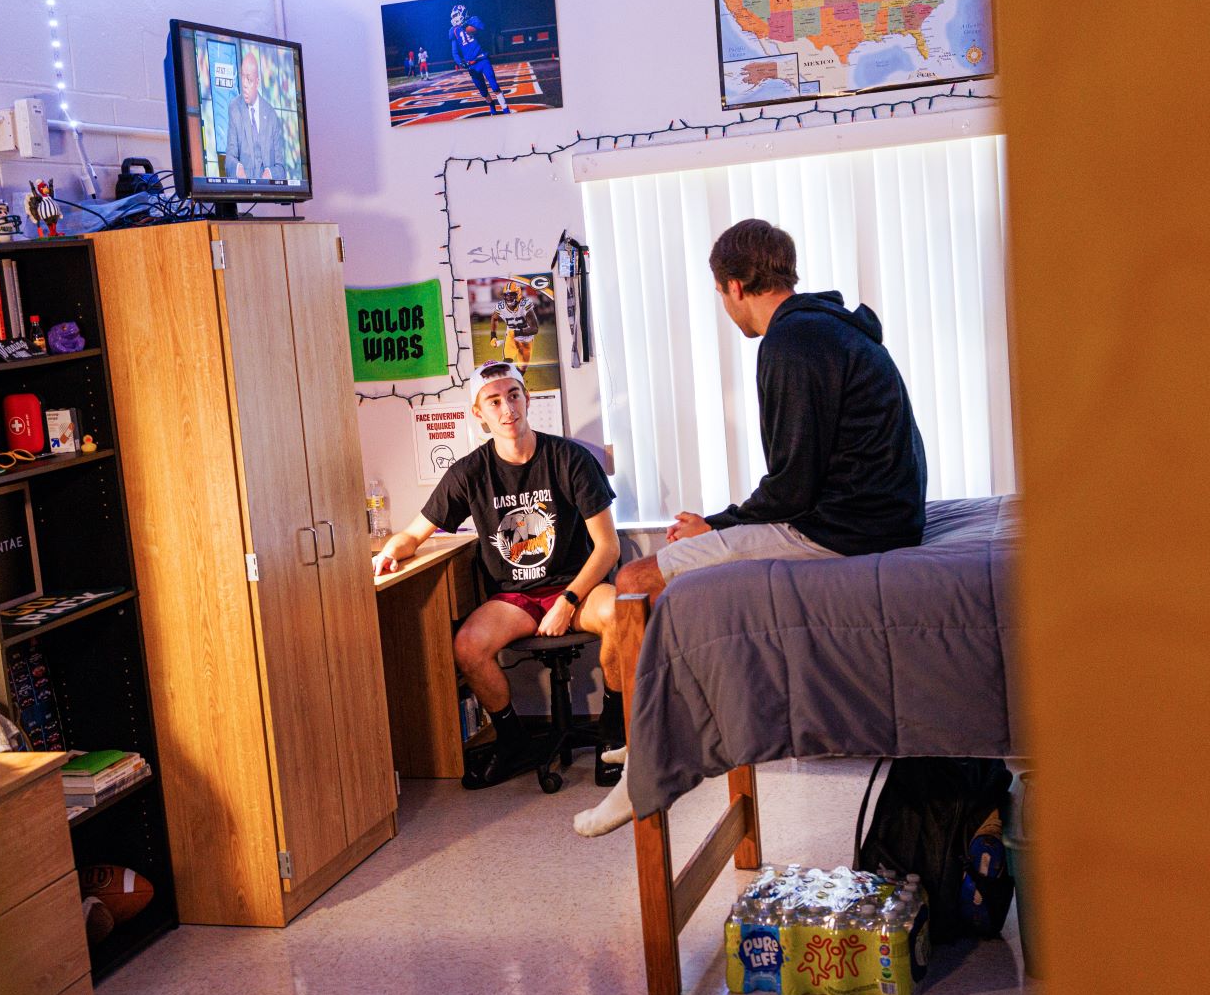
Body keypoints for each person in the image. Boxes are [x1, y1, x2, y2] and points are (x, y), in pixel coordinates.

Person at [573, 217, 928, 838]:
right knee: (663, 579)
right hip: (872, 517)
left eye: (720, 294)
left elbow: (791, 489)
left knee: (634, 580)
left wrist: (714, 527)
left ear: (735, 286)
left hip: (842, 530)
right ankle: (650, 736)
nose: (725, 307)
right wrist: (716, 527)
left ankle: (641, 771)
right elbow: (801, 477)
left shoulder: (791, 343)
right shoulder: (829, 327)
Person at [374, 361, 620, 789]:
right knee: (468, 647)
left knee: (621, 614)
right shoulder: (469, 473)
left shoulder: (570, 459)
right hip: (516, 599)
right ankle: (514, 743)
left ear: (527, 399)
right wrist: (391, 552)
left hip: (576, 587)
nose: (507, 408)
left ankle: (614, 734)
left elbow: (607, 548)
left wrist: (568, 601)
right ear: (479, 413)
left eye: (513, 395)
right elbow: (414, 534)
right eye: (494, 401)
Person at [223, 48, 287, 183]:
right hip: (245, 188)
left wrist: (270, 174)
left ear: (257, 82)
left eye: (249, 80)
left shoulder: (270, 114)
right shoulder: (235, 108)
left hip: (267, 190)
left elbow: (281, 169)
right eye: (242, 77)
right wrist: (238, 169)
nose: (245, 85)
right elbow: (229, 159)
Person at [448, 3, 510, 115]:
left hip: (482, 59)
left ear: (462, 13)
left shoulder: (473, 20)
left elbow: (482, 27)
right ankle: (491, 105)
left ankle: (505, 108)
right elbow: (454, 51)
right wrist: (460, 62)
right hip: (471, 65)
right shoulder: (454, 30)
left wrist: (466, 24)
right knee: (483, 91)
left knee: (494, 85)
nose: (454, 18)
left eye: (456, 15)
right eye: (453, 16)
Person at [487, 280, 541, 367]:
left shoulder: (524, 304)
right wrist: (493, 336)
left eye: (511, 295)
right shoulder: (501, 306)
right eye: (506, 295)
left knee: (522, 369)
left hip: (526, 339)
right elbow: (494, 318)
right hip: (511, 337)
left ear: (518, 294)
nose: (508, 298)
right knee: (506, 364)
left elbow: (534, 329)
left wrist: (516, 332)